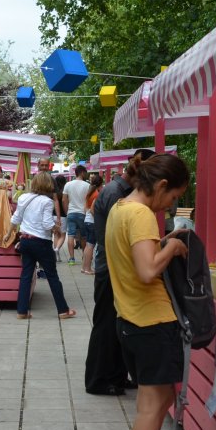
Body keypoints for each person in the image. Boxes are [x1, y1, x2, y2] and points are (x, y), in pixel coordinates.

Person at [104, 151, 190, 430]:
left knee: (157, 399)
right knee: (152, 406)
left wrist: (164, 241)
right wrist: (171, 246)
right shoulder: (140, 214)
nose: (171, 205)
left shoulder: (120, 208)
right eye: (173, 198)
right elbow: (146, 270)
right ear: (163, 185)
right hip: (150, 321)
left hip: (132, 319)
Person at [84, 152, 147, 396]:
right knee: (106, 325)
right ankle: (99, 380)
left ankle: (117, 376)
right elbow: (118, 236)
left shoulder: (115, 190)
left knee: (115, 325)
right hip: (110, 268)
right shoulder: (116, 195)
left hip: (110, 266)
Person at [12, 171, 77, 319]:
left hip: (25, 241)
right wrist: (57, 230)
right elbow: (47, 223)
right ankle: (63, 310)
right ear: (49, 185)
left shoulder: (23, 197)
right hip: (41, 242)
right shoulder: (46, 202)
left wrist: (9, 233)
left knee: (26, 276)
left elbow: (16, 218)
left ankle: (22, 311)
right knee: (52, 276)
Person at [62, 165, 91, 265]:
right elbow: (89, 200)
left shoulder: (68, 184)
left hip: (71, 213)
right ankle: (84, 256)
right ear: (82, 173)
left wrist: (67, 212)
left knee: (70, 235)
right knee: (83, 236)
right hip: (82, 213)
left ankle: (71, 258)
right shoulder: (87, 185)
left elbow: (64, 200)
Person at [80, 172, 104, 275]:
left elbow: (86, 208)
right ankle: (88, 268)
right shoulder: (97, 194)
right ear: (100, 184)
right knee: (90, 246)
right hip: (92, 222)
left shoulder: (89, 193)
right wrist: (98, 219)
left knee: (88, 246)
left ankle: (84, 267)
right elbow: (93, 210)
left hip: (87, 221)